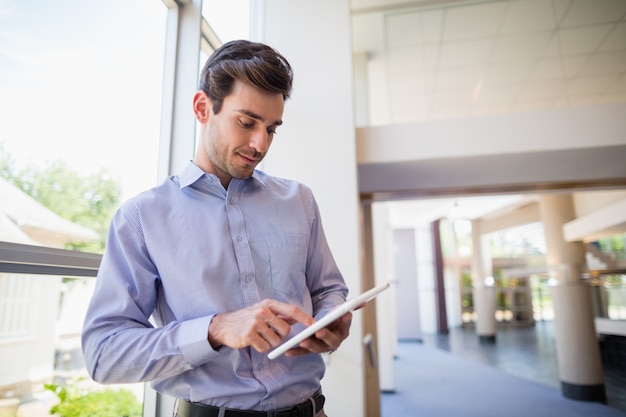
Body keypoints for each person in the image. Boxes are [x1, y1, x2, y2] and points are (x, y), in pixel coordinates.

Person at [81, 40, 351, 417]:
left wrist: (331, 319)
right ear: (202, 108)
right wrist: (214, 329)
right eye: (246, 123)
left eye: (272, 129)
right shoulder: (142, 218)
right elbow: (104, 354)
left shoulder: (299, 201)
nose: (260, 144)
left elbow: (329, 290)